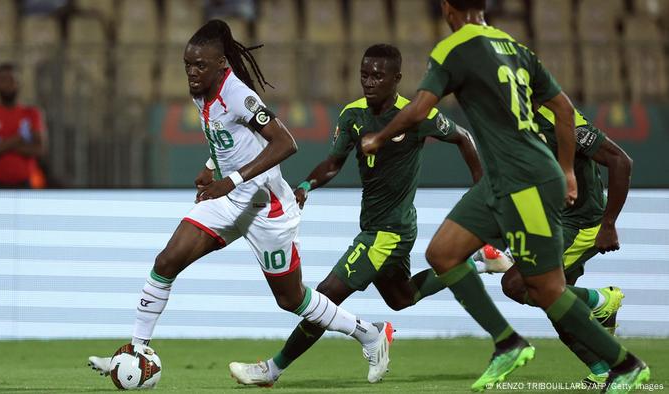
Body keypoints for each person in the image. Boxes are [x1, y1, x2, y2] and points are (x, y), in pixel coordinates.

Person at [361, 1, 649, 392]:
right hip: (504, 178)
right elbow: (564, 109)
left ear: (448, 8)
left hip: (524, 177)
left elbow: (419, 108)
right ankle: (508, 342)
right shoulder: (515, 48)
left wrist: (378, 136)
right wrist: (565, 168)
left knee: (542, 289)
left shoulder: (454, 47)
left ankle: (624, 363)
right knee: (443, 254)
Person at [87, 19, 392, 382]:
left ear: (222, 64)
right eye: (188, 64)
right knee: (167, 261)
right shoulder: (201, 91)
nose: (192, 72)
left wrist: (229, 180)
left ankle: (370, 334)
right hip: (228, 201)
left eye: (200, 65)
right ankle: (136, 350)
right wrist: (208, 166)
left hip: (267, 209)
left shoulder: (238, 95)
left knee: (291, 299)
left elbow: (285, 143)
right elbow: (226, 137)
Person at [229, 43, 501, 386]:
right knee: (401, 298)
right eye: (364, 74)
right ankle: (477, 262)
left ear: (396, 79)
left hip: (390, 231)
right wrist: (306, 187)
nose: (369, 82)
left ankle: (272, 369)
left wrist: (480, 189)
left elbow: (463, 137)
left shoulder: (417, 114)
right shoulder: (353, 115)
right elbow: (333, 164)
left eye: (377, 75)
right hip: (377, 224)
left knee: (325, 296)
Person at [496, 105, 633, 387]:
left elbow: (621, 161)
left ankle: (602, 300)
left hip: (580, 223)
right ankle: (603, 369)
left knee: (516, 284)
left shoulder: (560, 118)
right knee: (557, 304)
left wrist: (608, 224)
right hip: (549, 223)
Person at [0, 63, 46, 188]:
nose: (8, 85)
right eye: (3, 80)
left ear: (19, 83)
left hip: (24, 184)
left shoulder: (31, 114)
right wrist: (18, 139)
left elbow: (39, 149)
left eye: (12, 80)